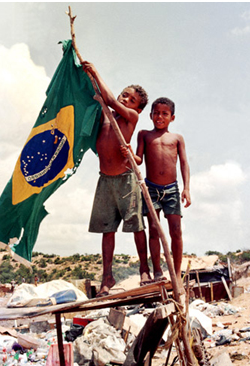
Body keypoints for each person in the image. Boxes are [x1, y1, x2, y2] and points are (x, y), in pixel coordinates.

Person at [82, 61, 151, 297]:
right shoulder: (106, 115)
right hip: (105, 181)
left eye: (131, 100)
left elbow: (109, 99)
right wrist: (87, 76)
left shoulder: (131, 118)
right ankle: (107, 277)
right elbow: (102, 98)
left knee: (135, 225)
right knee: (106, 230)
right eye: (124, 95)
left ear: (138, 109)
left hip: (125, 180)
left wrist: (96, 72)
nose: (125, 100)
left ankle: (144, 268)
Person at [121, 97, 191, 290]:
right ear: (151, 115)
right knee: (154, 229)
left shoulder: (177, 138)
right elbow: (139, 159)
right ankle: (158, 271)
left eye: (164, 114)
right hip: (151, 189)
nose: (160, 117)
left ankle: (176, 273)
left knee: (176, 231)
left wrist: (186, 188)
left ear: (172, 117)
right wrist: (128, 153)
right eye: (156, 113)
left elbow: (184, 163)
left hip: (171, 190)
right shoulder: (144, 134)